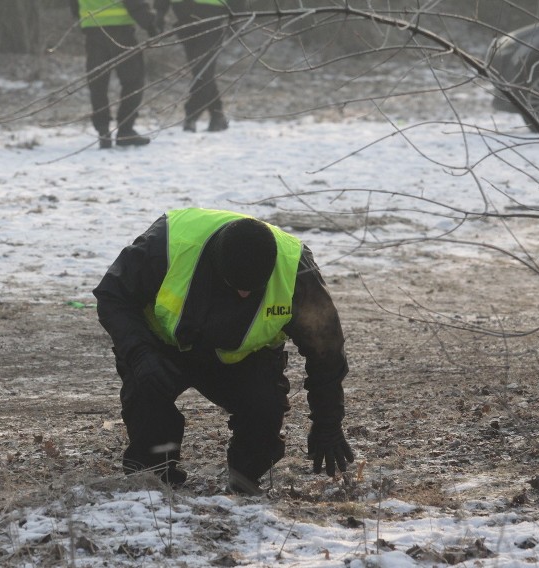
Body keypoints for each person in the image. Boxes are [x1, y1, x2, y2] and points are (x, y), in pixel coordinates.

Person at [93, 208, 354, 495]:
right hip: (163, 348)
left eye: (253, 290)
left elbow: (326, 349)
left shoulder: (296, 270)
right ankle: (154, 477)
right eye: (236, 287)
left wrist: (327, 422)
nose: (244, 295)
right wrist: (139, 353)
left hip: (244, 359)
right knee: (147, 392)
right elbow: (112, 295)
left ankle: (244, 478)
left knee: (264, 409)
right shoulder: (167, 244)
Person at [70, 0, 161, 148]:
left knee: (98, 83)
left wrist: (80, 18)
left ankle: (103, 131)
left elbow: (74, 4)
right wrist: (150, 23)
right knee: (133, 81)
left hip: (93, 29)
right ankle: (125, 130)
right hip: (121, 31)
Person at [155, 0, 230, 132]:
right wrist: (159, 14)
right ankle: (217, 115)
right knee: (200, 72)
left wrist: (237, 17)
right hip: (185, 20)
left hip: (211, 19)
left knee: (203, 70)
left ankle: (192, 115)